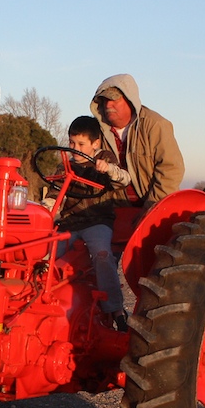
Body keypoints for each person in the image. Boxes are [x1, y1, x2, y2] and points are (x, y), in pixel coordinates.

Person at [56, 115, 130, 330]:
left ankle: (115, 309)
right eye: (71, 142)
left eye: (80, 144)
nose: (74, 148)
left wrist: (108, 169)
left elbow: (124, 179)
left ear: (95, 143)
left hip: (97, 220)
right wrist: (45, 209)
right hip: (70, 222)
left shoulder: (105, 160)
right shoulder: (66, 166)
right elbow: (54, 195)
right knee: (46, 255)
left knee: (102, 254)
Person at [90, 74, 184, 207]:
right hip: (114, 212)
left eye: (114, 99)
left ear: (130, 99)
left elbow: (171, 170)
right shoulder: (95, 133)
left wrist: (151, 208)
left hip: (152, 207)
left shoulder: (155, 125)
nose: (108, 105)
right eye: (104, 100)